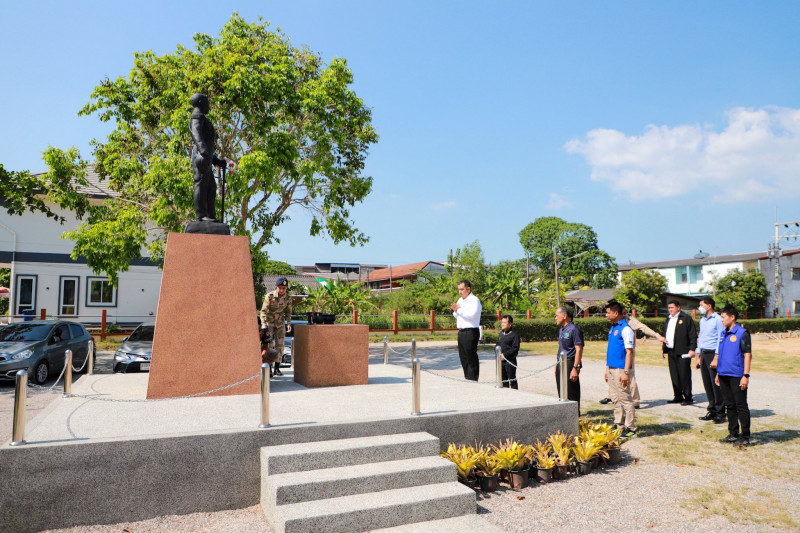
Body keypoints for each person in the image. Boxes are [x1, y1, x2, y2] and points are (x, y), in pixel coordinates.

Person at [599, 308, 667, 408]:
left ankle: (635, 401)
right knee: (612, 374)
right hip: (616, 352)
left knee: (630, 376)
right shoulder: (615, 323)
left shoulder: (631, 321)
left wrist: (657, 336)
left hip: (628, 352)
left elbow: (644, 328)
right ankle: (611, 396)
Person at [715, 305, 752, 446]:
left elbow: (747, 355)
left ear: (732, 317)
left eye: (723, 317)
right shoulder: (723, 333)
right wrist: (718, 372)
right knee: (729, 405)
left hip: (737, 375)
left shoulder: (742, 333)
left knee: (741, 405)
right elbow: (722, 354)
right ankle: (733, 433)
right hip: (723, 374)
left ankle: (745, 436)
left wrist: (746, 375)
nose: (722, 320)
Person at [189, 93, 226, 221]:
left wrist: (216, 160)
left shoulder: (202, 118)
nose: (208, 106)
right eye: (207, 102)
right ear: (200, 102)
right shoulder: (197, 116)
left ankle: (210, 215)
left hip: (206, 157)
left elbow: (207, 142)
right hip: (201, 157)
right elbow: (196, 133)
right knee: (201, 185)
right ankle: (201, 216)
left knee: (211, 187)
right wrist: (204, 151)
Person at [604, 301, 636, 438]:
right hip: (612, 368)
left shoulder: (626, 329)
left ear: (616, 313)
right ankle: (619, 424)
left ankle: (631, 428)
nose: (606, 315)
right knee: (615, 398)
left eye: (608, 312)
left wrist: (626, 372)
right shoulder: (613, 328)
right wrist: (607, 369)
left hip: (621, 370)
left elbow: (629, 352)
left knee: (625, 398)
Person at [695, 297, 726, 423]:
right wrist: (698, 356)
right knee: (707, 383)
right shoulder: (702, 320)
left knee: (716, 384)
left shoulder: (717, 319)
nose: (700, 307)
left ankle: (720, 412)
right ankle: (712, 410)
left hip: (713, 354)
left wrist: (716, 357)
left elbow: (720, 338)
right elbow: (701, 337)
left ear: (709, 306)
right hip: (703, 354)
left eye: (702, 305)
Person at [662, 299, 697, 405]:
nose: (670, 309)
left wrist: (692, 349)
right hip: (671, 351)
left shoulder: (686, 318)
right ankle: (678, 396)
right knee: (674, 375)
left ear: (678, 307)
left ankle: (688, 397)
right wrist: (664, 349)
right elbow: (666, 334)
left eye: (672, 307)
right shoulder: (668, 319)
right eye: (669, 308)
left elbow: (693, 335)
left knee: (684, 375)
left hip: (683, 351)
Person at [260, 277, 293, 377]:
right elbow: (263, 311)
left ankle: (277, 368)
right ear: (277, 287)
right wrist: (263, 324)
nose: (282, 290)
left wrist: (289, 323)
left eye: (284, 288)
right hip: (269, 323)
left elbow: (288, 312)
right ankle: (269, 368)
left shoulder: (288, 298)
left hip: (280, 323)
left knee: (280, 345)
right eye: (280, 288)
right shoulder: (270, 296)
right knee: (269, 345)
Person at [451, 280, 482, 381]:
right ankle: (467, 377)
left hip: (471, 331)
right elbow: (456, 315)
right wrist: (455, 310)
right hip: (461, 331)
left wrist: (459, 310)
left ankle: (473, 379)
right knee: (463, 357)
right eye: (459, 289)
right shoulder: (460, 300)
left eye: (462, 289)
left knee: (471, 356)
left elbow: (472, 315)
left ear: (468, 289)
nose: (460, 292)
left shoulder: (474, 300)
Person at [555, 306, 584, 410]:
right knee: (561, 390)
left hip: (570, 363)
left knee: (571, 391)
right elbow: (561, 348)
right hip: (561, 363)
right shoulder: (561, 330)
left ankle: (574, 414)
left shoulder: (574, 329)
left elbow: (579, 349)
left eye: (557, 315)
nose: (555, 318)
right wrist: (556, 364)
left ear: (564, 316)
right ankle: (564, 413)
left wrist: (575, 368)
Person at [496, 315, 520, 389]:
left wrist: (505, 355)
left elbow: (515, 348)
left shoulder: (514, 335)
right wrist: (498, 353)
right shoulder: (501, 334)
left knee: (512, 380)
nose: (502, 324)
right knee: (504, 381)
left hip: (510, 361)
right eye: (502, 322)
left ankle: (515, 393)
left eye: (504, 322)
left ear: (510, 324)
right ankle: (506, 394)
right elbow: (497, 345)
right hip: (501, 361)